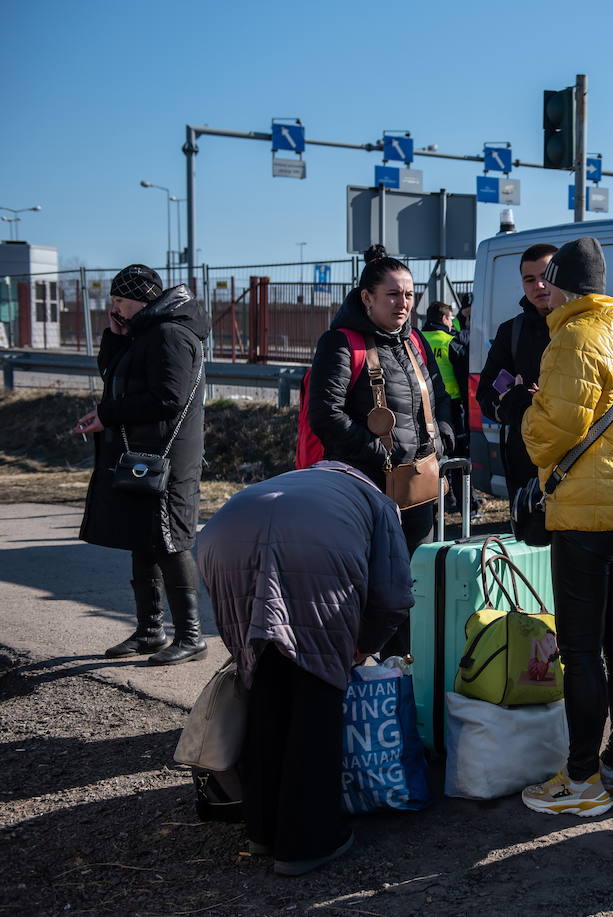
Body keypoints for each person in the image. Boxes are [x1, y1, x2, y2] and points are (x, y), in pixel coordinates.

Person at [198, 461, 414, 877]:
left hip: (222, 542)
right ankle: (307, 843)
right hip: (311, 554)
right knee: (316, 699)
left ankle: (261, 830)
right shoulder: (377, 501)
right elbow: (391, 595)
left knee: (264, 689)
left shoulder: (295, 478)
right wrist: (362, 646)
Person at [518, 237, 613, 818]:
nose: (542, 293)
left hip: (584, 515)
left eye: (549, 283)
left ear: (565, 287)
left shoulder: (572, 337)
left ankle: (581, 781)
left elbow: (551, 431)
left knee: (580, 651)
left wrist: (530, 417)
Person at [307, 244, 453, 656]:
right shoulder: (340, 343)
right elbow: (325, 415)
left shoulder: (414, 342)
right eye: (393, 294)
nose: (403, 303)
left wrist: (440, 434)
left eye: (409, 294)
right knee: (371, 588)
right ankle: (362, 675)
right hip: (366, 489)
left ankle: (405, 671)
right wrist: (377, 454)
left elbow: (438, 394)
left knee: (412, 585)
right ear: (367, 298)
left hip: (417, 488)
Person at [73, 264, 209, 666]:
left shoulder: (169, 334)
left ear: (144, 299)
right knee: (142, 538)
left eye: (121, 301)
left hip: (168, 457)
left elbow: (169, 397)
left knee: (170, 542)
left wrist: (108, 415)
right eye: (112, 300)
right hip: (144, 455)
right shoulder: (143, 333)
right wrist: (115, 338)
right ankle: (151, 631)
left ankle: (192, 637)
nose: (114, 308)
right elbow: (114, 377)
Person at [476, 243, 556, 506]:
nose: (539, 286)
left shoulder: (586, 328)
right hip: (526, 463)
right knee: (531, 544)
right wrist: (514, 405)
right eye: (530, 279)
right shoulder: (512, 332)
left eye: (546, 276)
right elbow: (486, 395)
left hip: (576, 464)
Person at [419, 301, 471, 515]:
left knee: (430, 456)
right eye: (450, 319)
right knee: (457, 456)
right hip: (451, 406)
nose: (452, 323)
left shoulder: (417, 341)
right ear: (443, 319)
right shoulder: (451, 342)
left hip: (422, 406)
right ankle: (466, 506)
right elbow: (465, 378)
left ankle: (438, 503)